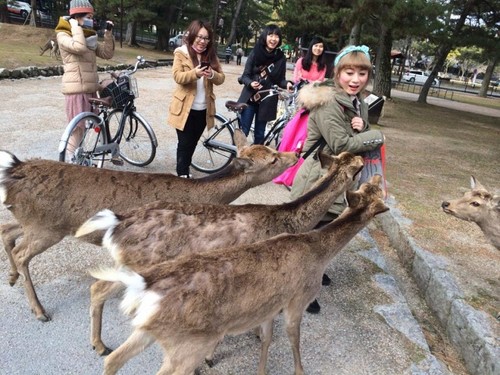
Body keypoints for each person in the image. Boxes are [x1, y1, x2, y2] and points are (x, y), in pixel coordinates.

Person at [290, 45, 385, 314]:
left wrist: (364, 126)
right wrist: (375, 135)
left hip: (339, 178)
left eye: (362, 73)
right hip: (319, 179)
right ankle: (301, 288)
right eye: (349, 72)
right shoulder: (328, 102)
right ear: (338, 73)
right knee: (310, 234)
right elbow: (341, 143)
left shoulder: (359, 102)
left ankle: (314, 273)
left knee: (327, 230)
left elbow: (353, 134)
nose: (356, 80)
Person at [56, 0, 115, 162]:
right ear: (77, 16)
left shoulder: (88, 35)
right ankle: (71, 163)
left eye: (92, 16)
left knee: (86, 128)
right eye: (89, 16)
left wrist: (108, 34)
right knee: (76, 129)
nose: (92, 19)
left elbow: (106, 54)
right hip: (76, 89)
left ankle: (79, 158)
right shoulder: (63, 34)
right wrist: (75, 26)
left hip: (90, 88)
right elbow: (79, 48)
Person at [167, 20, 225, 178]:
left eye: (206, 38)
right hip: (184, 109)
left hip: (203, 109)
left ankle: (184, 169)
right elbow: (177, 76)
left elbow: (221, 78)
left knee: (192, 143)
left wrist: (212, 74)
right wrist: (195, 73)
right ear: (192, 36)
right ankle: (182, 175)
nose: (202, 41)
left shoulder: (210, 55)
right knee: (184, 144)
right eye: (200, 37)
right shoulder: (181, 52)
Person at [237, 24, 293, 144]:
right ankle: (235, 159)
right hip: (250, 99)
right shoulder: (255, 52)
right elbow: (245, 75)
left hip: (267, 100)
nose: (273, 39)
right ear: (265, 36)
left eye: (276, 36)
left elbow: (280, 80)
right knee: (244, 132)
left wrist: (287, 84)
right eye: (270, 35)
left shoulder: (280, 57)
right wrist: (251, 83)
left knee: (260, 135)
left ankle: (257, 162)